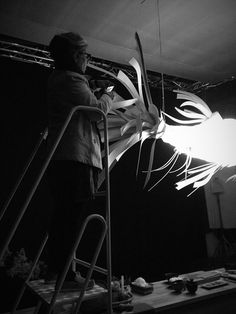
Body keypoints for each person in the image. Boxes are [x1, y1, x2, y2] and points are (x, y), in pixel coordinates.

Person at [44, 32, 114, 290]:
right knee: (70, 218)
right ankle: (66, 276)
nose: (87, 60)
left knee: (65, 216)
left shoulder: (65, 79)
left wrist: (92, 85)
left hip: (69, 158)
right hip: (75, 159)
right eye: (85, 55)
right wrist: (109, 95)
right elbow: (97, 113)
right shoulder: (70, 79)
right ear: (74, 56)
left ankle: (59, 272)